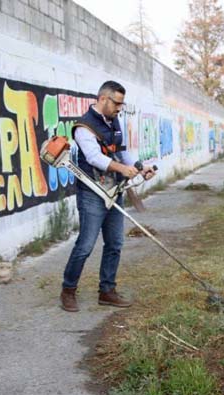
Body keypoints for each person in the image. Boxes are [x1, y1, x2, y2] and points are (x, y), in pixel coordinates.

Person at [60, 80, 155, 312]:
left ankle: (107, 291)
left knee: (115, 243)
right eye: (117, 103)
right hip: (92, 192)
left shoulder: (114, 121)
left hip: (114, 190)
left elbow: (122, 151)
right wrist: (122, 169)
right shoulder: (84, 127)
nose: (119, 108)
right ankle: (68, 290)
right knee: (85, 245)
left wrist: (141, 166)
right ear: (103, 99)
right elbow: (94, 157)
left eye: (122, 104)